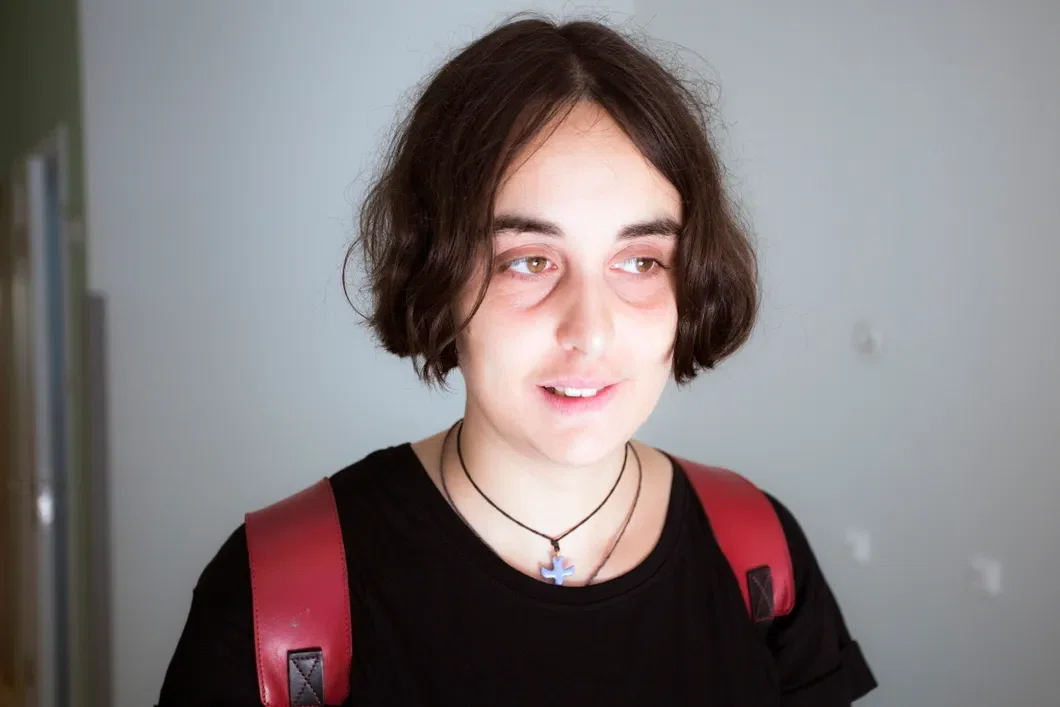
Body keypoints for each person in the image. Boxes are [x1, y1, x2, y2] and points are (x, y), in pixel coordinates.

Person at [157, 14, 877, 706]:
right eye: (530, 260)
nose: (590, 332)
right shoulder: (279, 591)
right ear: (436, 271)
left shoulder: (760, 552)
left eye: (640, 260)